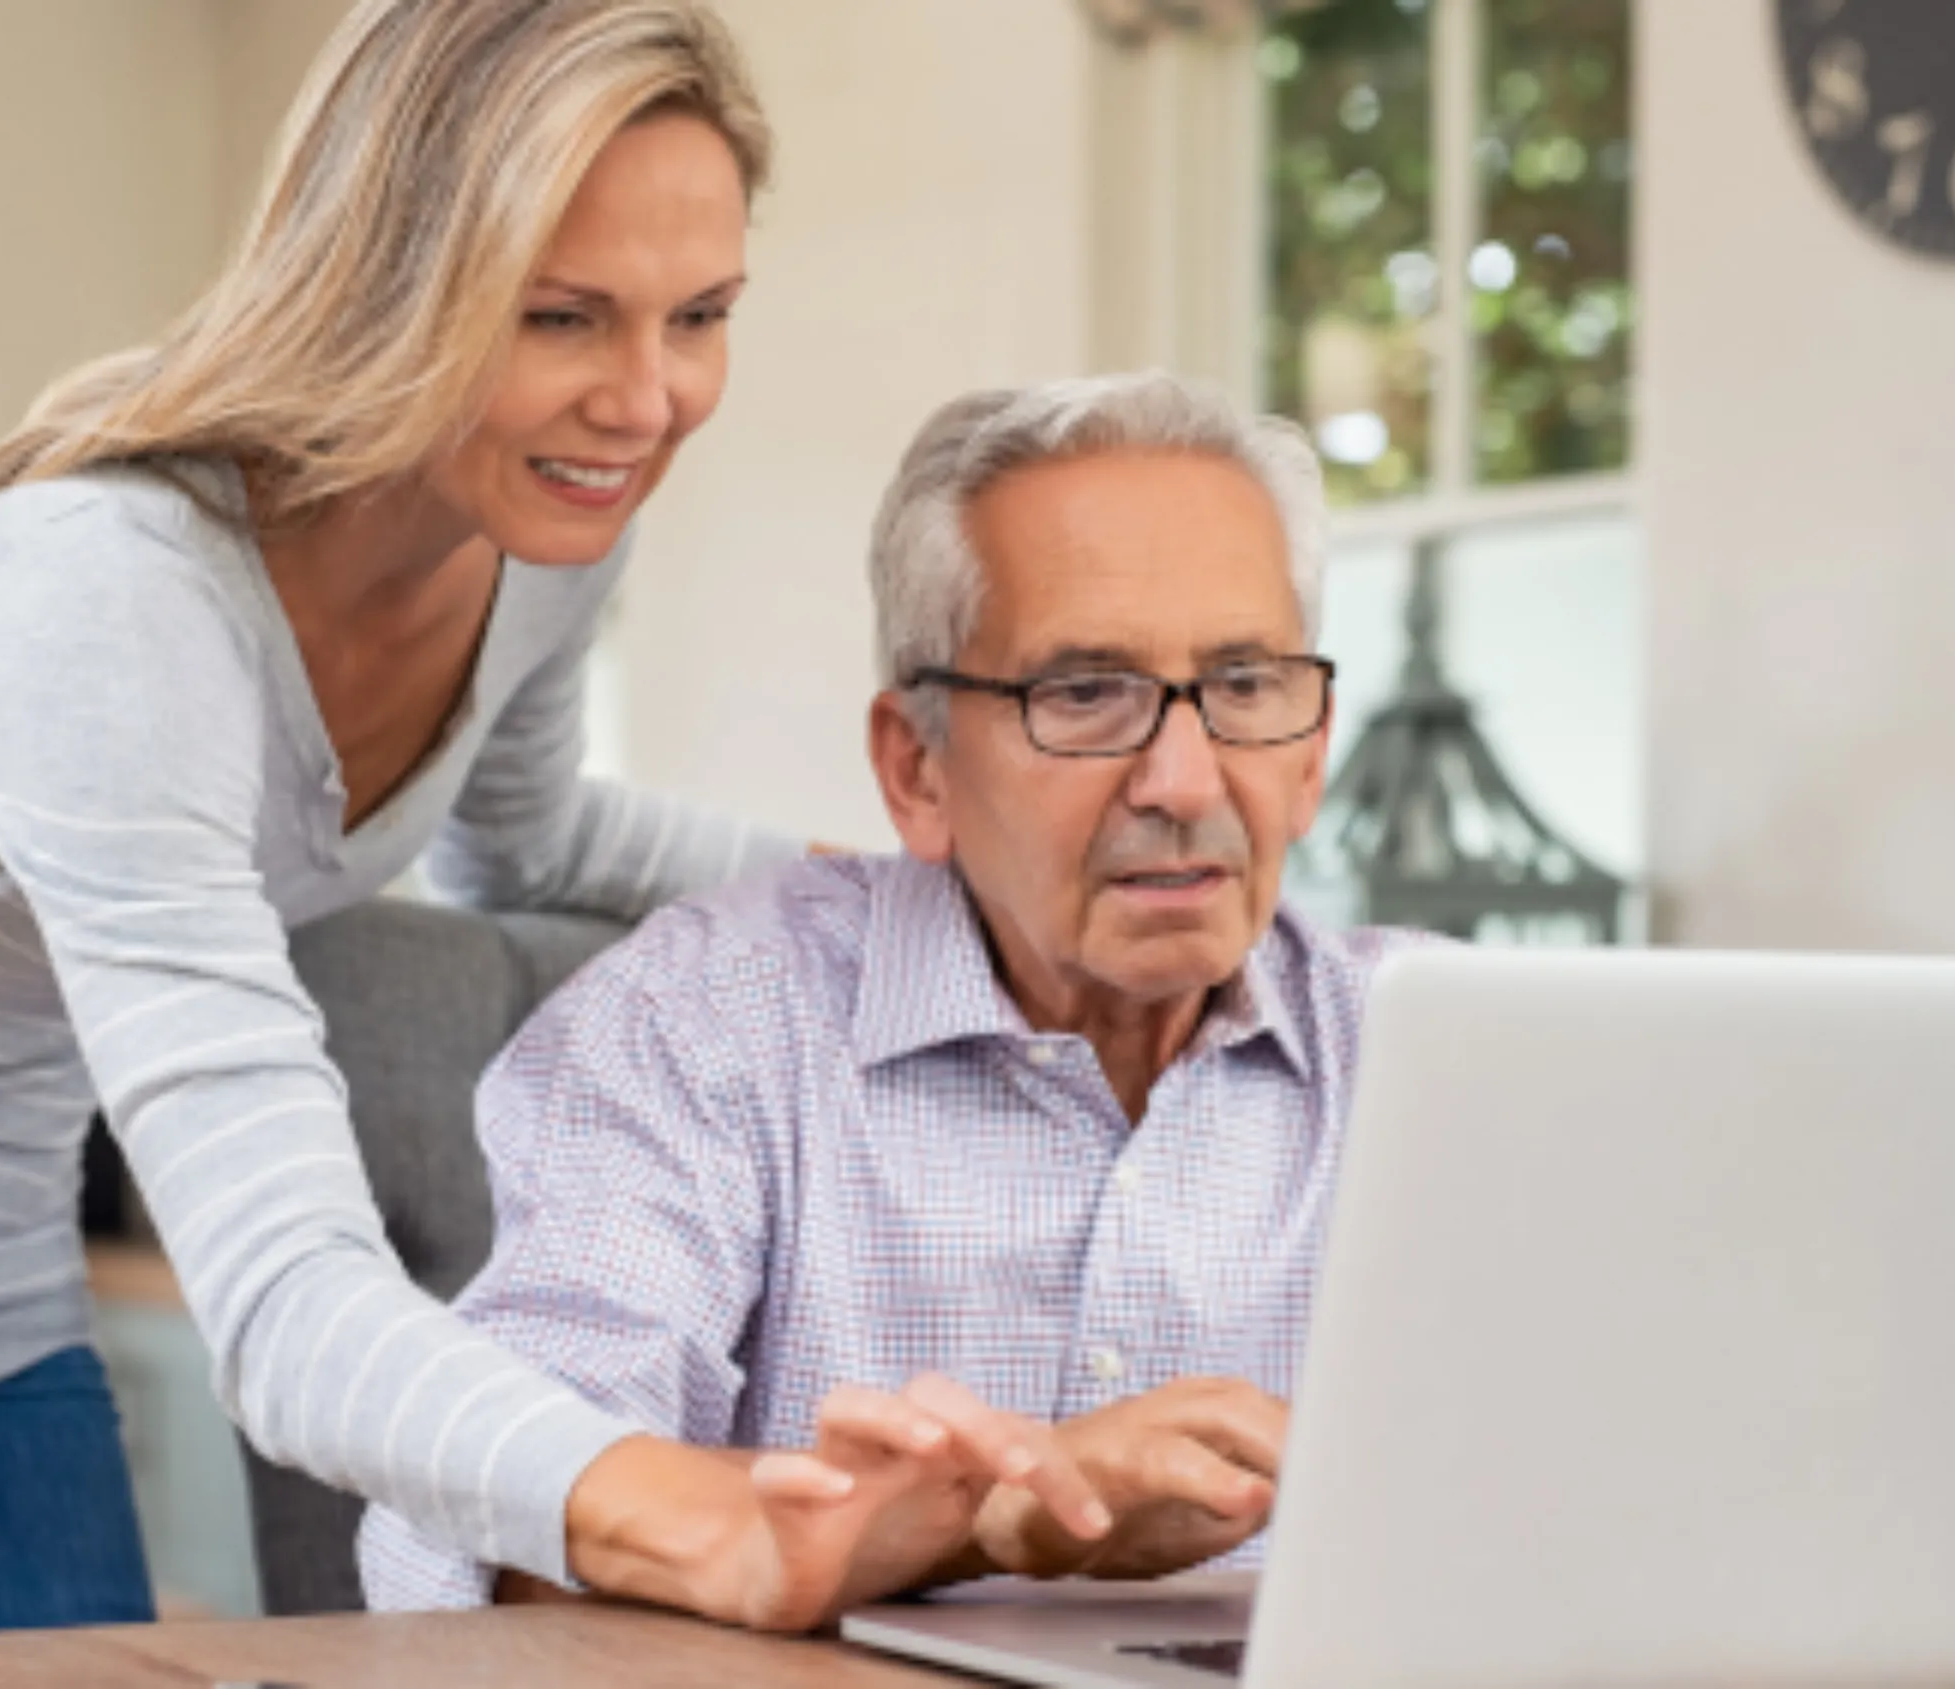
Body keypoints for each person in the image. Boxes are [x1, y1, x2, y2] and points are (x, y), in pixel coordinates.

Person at [0, 0, 1103, 1658]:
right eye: (563, 316)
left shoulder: (542, 533)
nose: (648, 401)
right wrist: (691, 1512)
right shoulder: (107, 602)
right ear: (390, 282)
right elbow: (289, 1304)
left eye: (702, 312)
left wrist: (943, 894)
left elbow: (531, 833)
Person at [360, 371, 1437, 1609]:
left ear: (1312, 756)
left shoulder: (1446, 1058)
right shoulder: (701, 1024)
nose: (1185, 780)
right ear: (916, 767)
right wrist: (982, 1522)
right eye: (1084, 693)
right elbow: (500, 1534)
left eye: (1246, 686)